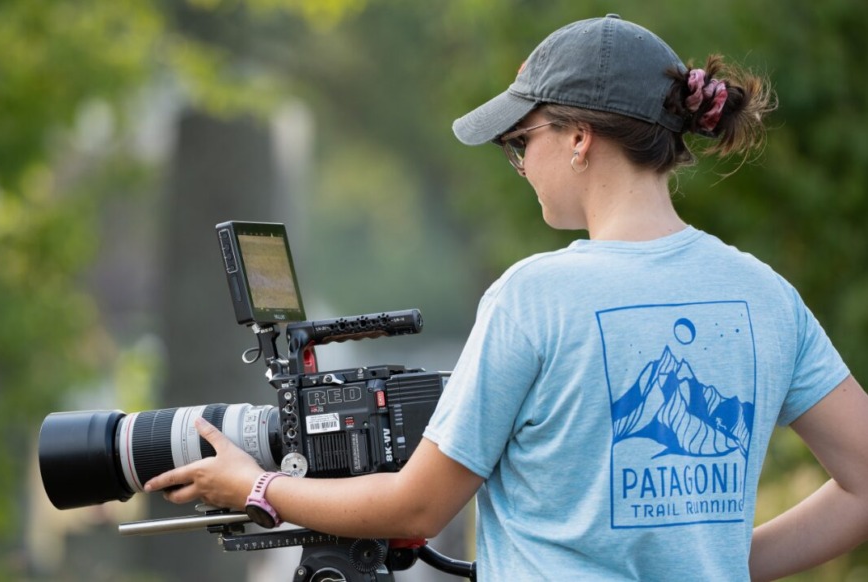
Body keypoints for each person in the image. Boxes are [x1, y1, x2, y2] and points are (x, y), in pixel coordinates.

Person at [145, 14, 868, 580]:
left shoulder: (536, 296)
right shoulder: (762, 294)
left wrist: (256, 488)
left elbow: (418, 507)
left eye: (520, 141)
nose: (520, 165)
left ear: (579, 137)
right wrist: (720, 567)